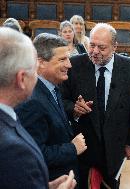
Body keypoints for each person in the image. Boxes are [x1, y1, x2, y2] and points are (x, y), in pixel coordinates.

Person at [60, 23, 130, 189]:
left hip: (115, 147)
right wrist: (74, 109)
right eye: (92, 45)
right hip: (84, 148)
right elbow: (61, 100)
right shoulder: (74, 65)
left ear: (114, 47)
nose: (95, 51)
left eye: (102, 47)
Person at [0, 27, 76, 189]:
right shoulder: (9, 145)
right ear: (21, 78)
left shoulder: (55, 88)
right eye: (31, 69)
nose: (69, 65)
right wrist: (72, 148)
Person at [15, 33, 87, 183]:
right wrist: (72, 148)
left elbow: (53, 125)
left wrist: (74, 113)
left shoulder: (52, 86)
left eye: (68, 58)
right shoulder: (31, 101)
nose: (69, 64)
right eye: (62, 59)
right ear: (41, 62)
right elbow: (34, 154)